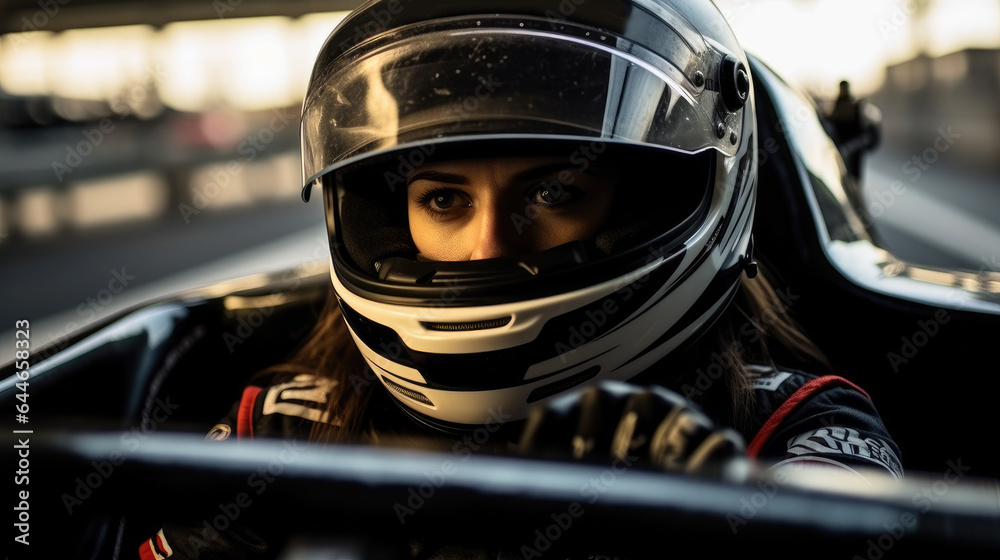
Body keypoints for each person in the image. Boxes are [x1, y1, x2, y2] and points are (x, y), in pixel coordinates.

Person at [139, 1, 901, 558]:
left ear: (649, 202)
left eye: (554, 194)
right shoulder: (282, 434)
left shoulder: (792, 428)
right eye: (443, 199)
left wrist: (733, 522)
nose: (488, 248)